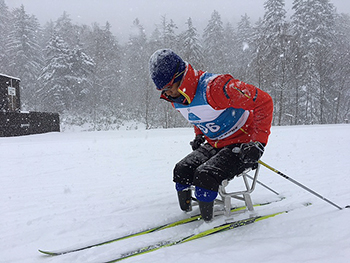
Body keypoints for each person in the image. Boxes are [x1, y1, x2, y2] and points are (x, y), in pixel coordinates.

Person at [149, 49, 273, 222]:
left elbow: (264, 101)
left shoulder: (217, 88)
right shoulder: (176, 98)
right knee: (181, 170)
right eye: (161, 90)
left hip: (242, 143)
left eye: (168, 88)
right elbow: (196, 115)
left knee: (205, 176)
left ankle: (208, 223)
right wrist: (199, 134)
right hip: (215, 142)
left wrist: (258, 143)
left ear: (180, 77)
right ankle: (188, 212)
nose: (166, 94)